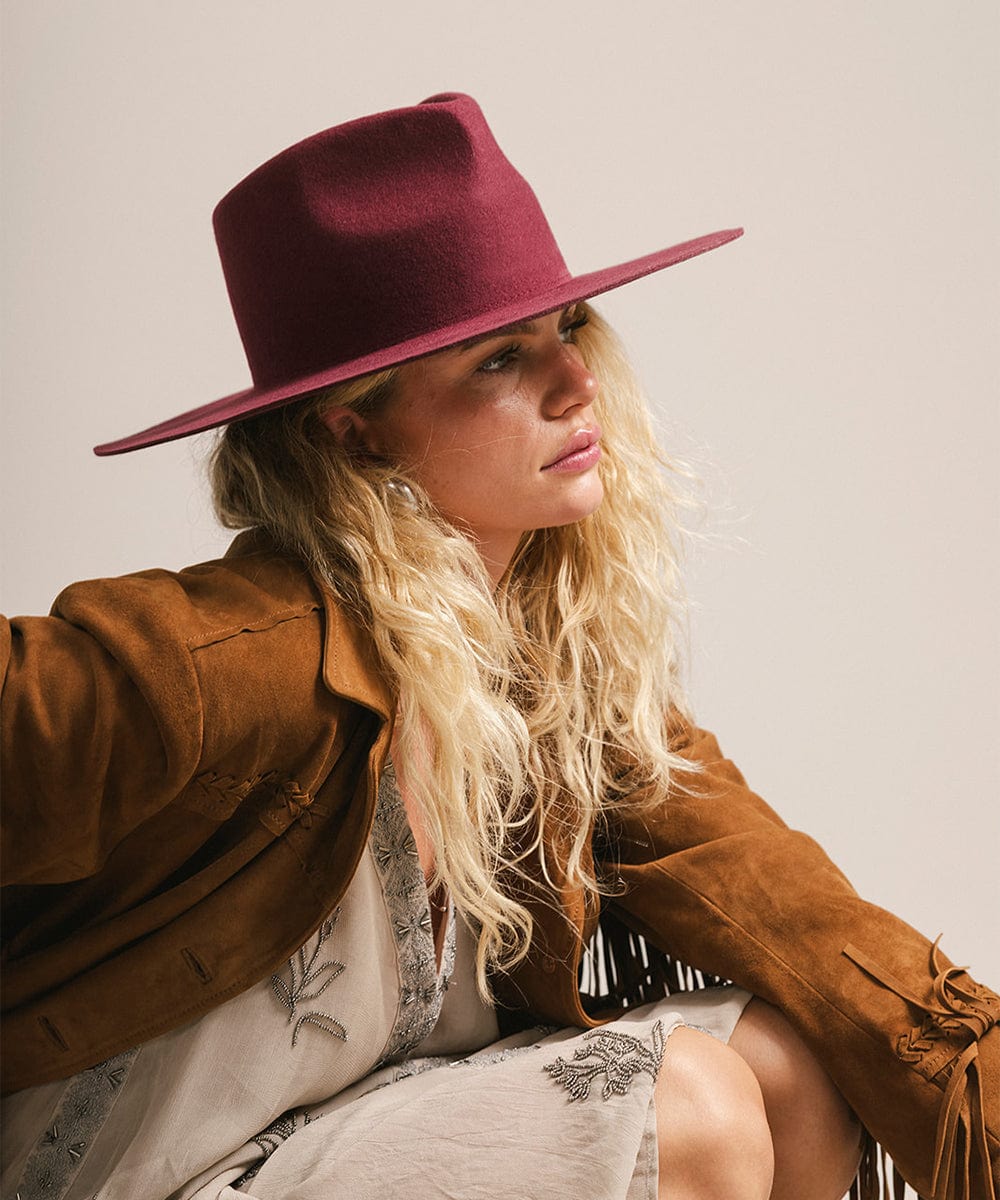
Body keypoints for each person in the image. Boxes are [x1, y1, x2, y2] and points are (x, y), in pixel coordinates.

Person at [1, 92, 995, 1200]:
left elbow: (803, 923)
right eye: (496, 361)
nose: (574, 383)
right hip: (150, 1176)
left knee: (789, 1057)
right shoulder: (235, 657)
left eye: (565, 332)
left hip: (352, 1129)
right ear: (351, 426)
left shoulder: (544, 674)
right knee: (693, 1113)